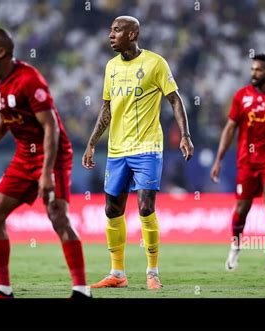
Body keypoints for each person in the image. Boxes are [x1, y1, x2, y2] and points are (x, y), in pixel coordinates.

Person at [0, 28, 90, 298]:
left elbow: (51, 128)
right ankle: (3, 289)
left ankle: (82, 291)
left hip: (54, 154)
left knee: (57, 216)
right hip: (25, 154)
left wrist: (47, 172)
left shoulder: (29, 80)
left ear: (1, 52)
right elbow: (5, 116)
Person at [82, 16, 194, 289]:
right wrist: (92, 142)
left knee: (145, 208)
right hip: (117, 149)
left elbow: (174, 99)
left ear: (132, 35)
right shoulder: (111, 67)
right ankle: (117, 274)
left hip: (147, 148)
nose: (111, 35)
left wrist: (185, 136)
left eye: (117, 30)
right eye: (110, 30)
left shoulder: (156, 63)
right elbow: (106, 109)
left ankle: (152, 272)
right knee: (112, 210)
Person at [210, 54, 265, 272]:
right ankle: (235, 247)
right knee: (242, 208)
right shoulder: (241, 96)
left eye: (259, 70)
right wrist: (219, 159)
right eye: (252, 69)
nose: (254, 73)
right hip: (247, 160)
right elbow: (230, 129)